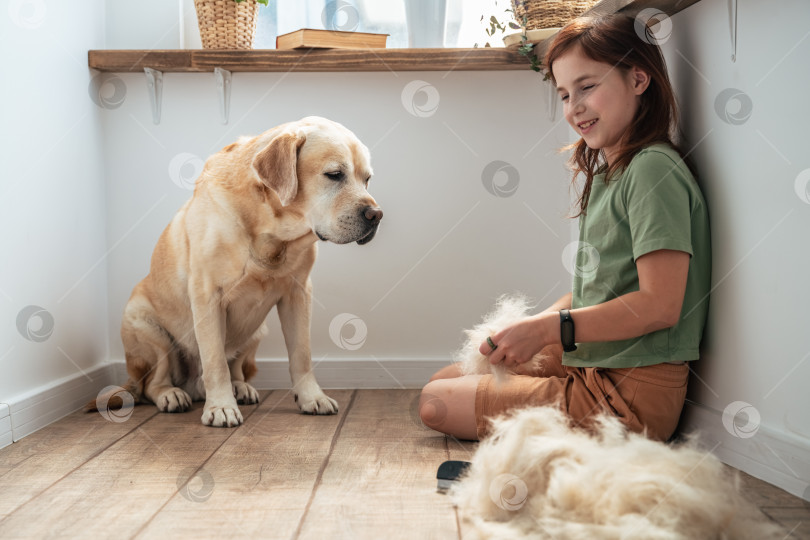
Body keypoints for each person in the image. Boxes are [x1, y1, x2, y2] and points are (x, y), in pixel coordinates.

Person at [418, 13, 711, 443]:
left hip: (629, 396)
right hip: (598, 361)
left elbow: (660, 305)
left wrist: (544, 332)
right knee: (450, 376)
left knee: (435, 401)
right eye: (564, 94)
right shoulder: (614, 171)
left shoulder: (652, 170)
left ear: (639, 79)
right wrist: (531, 326)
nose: (574, 108)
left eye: (588, 87)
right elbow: (599, 290)